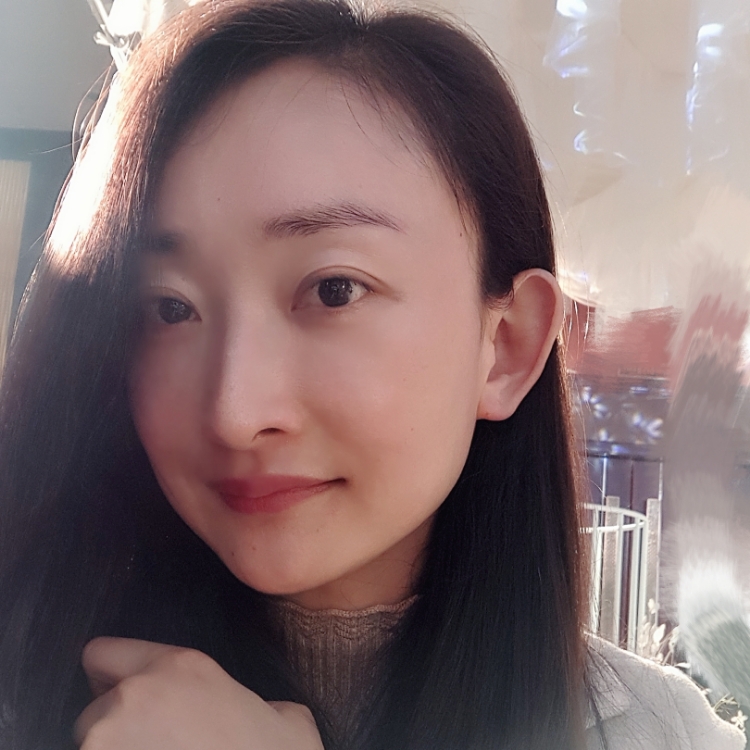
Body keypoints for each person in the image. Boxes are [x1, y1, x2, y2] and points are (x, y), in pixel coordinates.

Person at [0, 1, 744, 749]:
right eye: (169, 307)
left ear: (508, 344)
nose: (235, 411)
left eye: (333, 290)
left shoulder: (665, 735)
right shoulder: (23, 686)